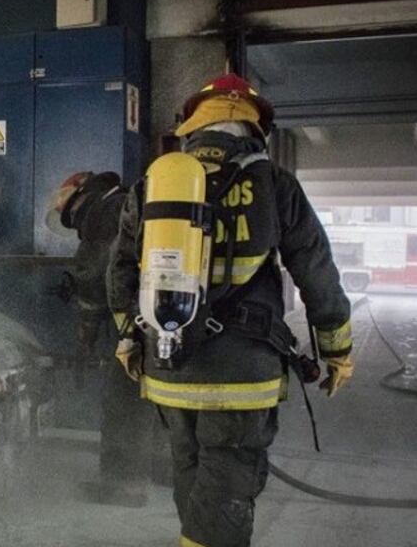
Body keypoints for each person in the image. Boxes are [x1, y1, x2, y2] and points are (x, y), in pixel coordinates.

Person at [107, 74, 352, 547]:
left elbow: (120, 270)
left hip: (169, 364)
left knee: (192, 474)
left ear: (194, 122)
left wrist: (128, 338)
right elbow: (316, 269)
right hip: (243, 375)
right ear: (256, 126)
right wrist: (337, 349)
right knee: (228, 489)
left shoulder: (154, 186)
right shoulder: (276, 185)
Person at [47, 170, 152, 507]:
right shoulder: (123, 203)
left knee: (122, 402)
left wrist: (87, 331)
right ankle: (156, 469)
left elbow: (95, 279)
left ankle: (121, 483)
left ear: (80, 196)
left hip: (136, 325)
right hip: (160, 316)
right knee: (148, 399)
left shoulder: (101, 214)